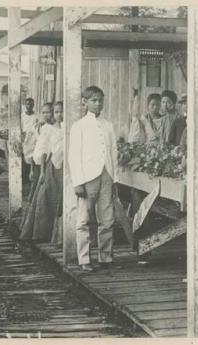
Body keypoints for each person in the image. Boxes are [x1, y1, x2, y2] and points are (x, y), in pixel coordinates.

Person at [68, 86, 118, 272]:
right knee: (84, 219)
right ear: (85, 102)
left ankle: (106, 256)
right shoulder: (79, 126)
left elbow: (113, 152)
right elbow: (74, 155)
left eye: (100, 100)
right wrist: (78, 182)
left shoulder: (108, 125)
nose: (98, 104)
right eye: (94, 100)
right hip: (87, 177)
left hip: (106, 174)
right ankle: (84, 258)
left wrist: (114, 178)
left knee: (107, 218)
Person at [20, 102, 57, 242]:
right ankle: (32, 228)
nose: (47, 115)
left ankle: (47, 230)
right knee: (35, 194)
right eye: (44, 112)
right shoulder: (41, 127)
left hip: (50, 164)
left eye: (50, 112)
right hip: (39, 164)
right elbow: (37, 147)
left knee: (47, 196)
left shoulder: (55, 128)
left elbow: (48, 150)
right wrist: (32, 169)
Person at [50, 101, 64, 245]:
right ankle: (58, 236)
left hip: (69, 165)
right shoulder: (50, 129)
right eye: (56, 112)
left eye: (62, 111)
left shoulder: (70, 127)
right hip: (56, 165)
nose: (59, 115)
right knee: (59, 197)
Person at [21, 97, 37, 185]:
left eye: (31, 104)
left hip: (33, 138)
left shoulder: (36, 116)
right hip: (25, 138)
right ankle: (24, 177)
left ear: (33, 105)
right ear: (25, 105)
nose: (29, 106)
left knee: (32, 156)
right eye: (27, 104)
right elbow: (20, 126)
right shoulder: (22, 116)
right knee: (24, 155)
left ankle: (31, 175)